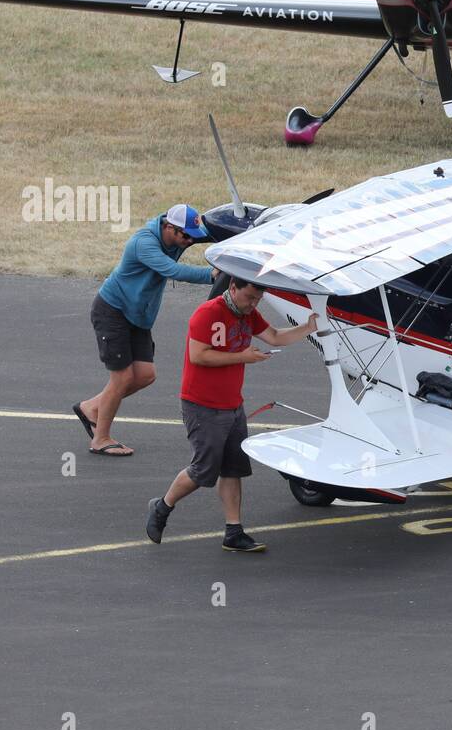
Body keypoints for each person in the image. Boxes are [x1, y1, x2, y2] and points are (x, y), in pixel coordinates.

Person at [146, 277, 318, 552]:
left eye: (257, 300)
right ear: (233, 289)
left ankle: (233, 532)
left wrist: (307, 328)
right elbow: (199, 355)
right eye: (249, 298)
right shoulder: (208, 313)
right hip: (202, 405)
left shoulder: (247, 313)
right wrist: (243, 357)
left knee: (233, 469)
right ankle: (162, 506)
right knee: (203, 470)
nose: (253, 304)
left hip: (231, 404)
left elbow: (273, 336)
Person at [74, 204, 215, 457]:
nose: (190, 241)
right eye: (186, 236)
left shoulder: (181, 234)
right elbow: (173, 270)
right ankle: (100, 439)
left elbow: (211, 233)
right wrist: (214, 275)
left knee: (145, 375)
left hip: (138, 316)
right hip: (113, 311)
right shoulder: (144, 243)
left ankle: (91, 407)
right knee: (123, 378)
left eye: (193, 236)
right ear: (168, 227)